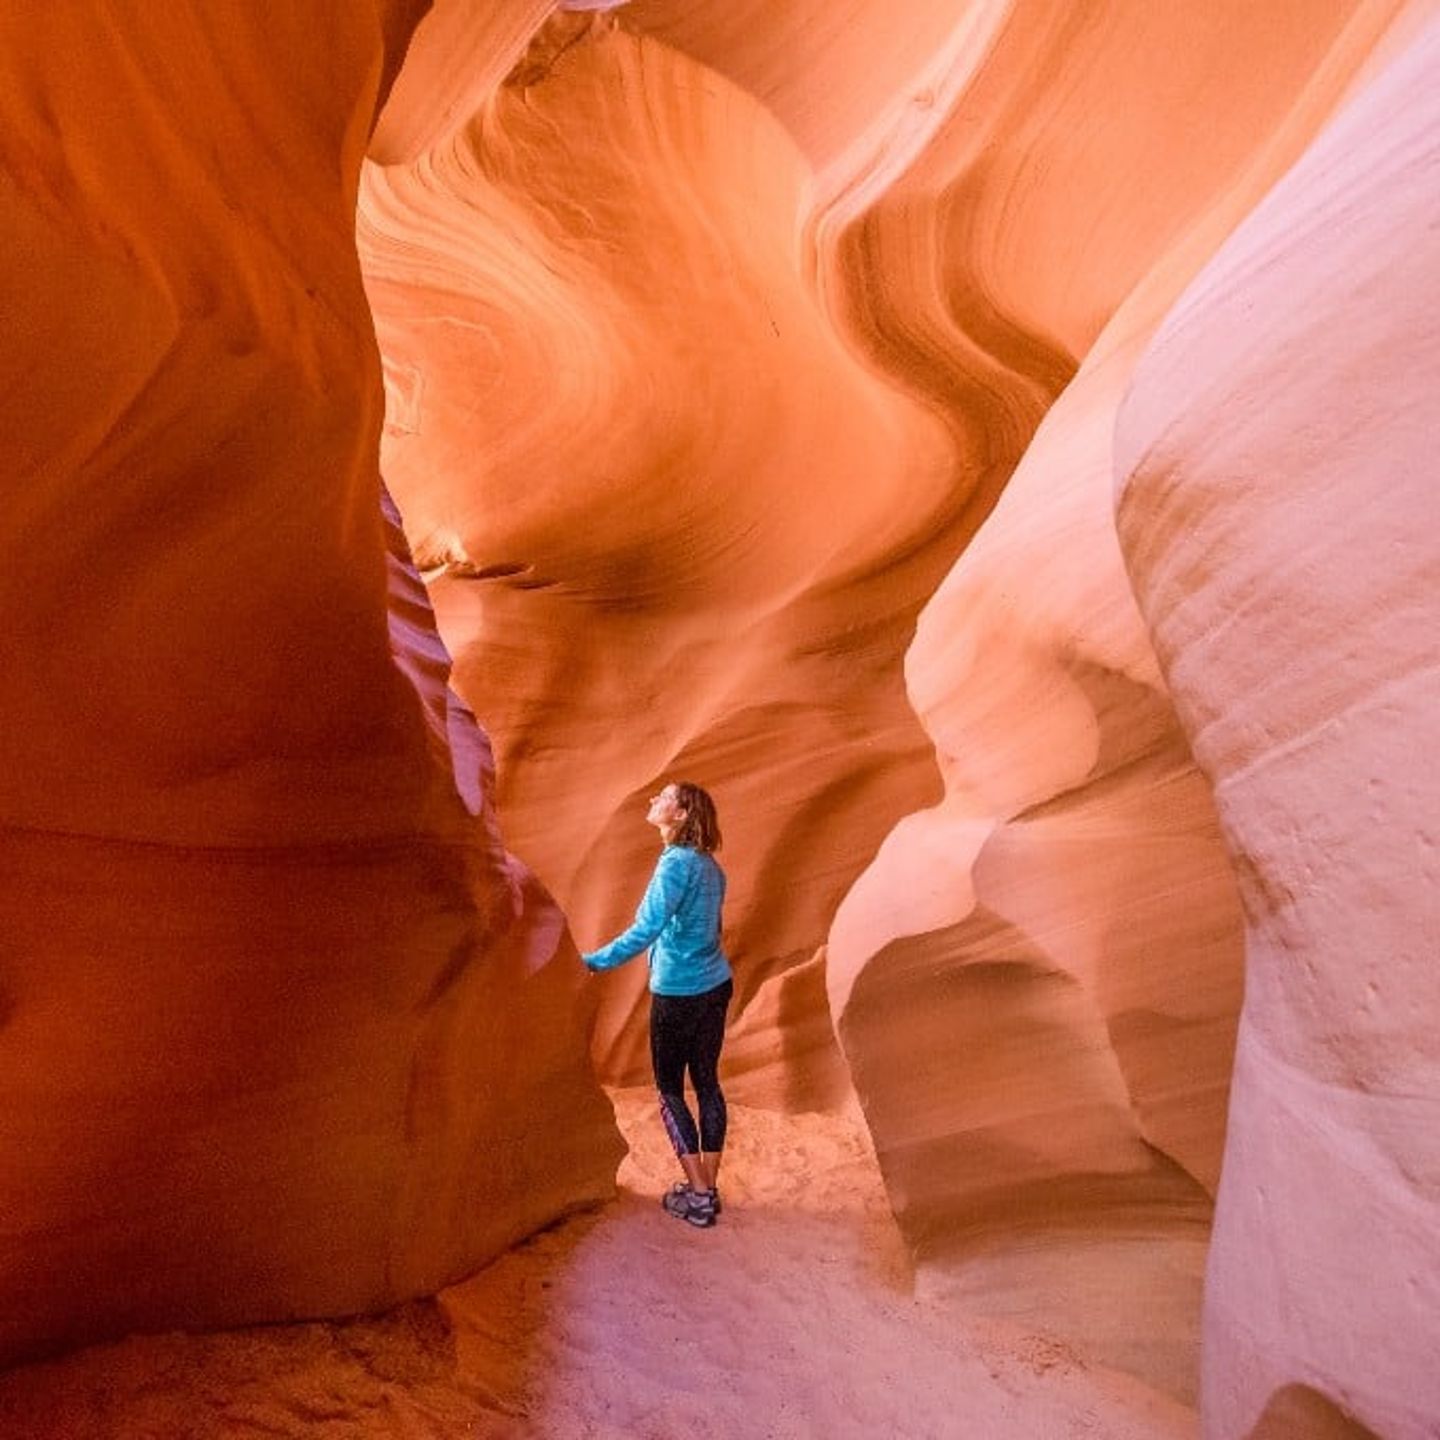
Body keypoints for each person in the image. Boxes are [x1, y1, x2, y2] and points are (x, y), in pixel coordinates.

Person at [582, 781, 732, 1229]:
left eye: (663, 798)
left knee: (669, 1089)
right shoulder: (711, 867)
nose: (653, 801)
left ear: (682, 814)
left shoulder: (674, 867)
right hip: (716, 984)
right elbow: (713, 930)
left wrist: (593, 962)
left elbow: (646, 928)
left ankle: (699, 1195)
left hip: (678, 992)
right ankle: (709, 1184)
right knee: (706, 1082)